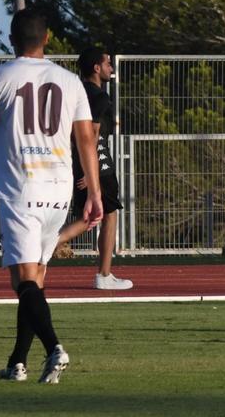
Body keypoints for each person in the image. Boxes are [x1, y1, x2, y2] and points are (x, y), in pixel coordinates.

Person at [0, 8, 103, 384]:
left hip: (21, 187)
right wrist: (95, 192)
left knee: (22, 282)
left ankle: (55, 347)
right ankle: (17, 363)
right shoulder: (70, 80)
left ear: (11, 39)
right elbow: (86, 137)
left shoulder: (0, 76)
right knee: (35, 279)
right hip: (59, 189)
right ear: (48, 39)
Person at [56, 47, 133, 290]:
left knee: (88, 217)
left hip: (80, 162)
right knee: (108, 216)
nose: (112, 68)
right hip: (99, 164)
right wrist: (93, 175)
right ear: (97, 68)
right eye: (108, 63)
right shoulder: (100, 97)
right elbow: (92, 134)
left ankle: (45, 246)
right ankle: (104, 274)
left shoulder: (75, 92)